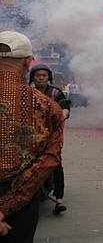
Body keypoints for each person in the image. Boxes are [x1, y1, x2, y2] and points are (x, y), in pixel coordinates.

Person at [0, 31, 64, 241]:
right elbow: (50, 158)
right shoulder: (46, 106)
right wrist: (5, 208)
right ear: (28, 62)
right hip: (21, 200)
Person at [29, 64, 70, 215]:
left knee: (56, 164)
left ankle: (59, 200)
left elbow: (65, 107)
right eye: (38, 75)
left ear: (49, 78)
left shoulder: (55, 92)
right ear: (33, 77)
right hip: (30, 135)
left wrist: (61, 116)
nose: (41, 78)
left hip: (52, 134)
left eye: (44, 75)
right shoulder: (27, 92)